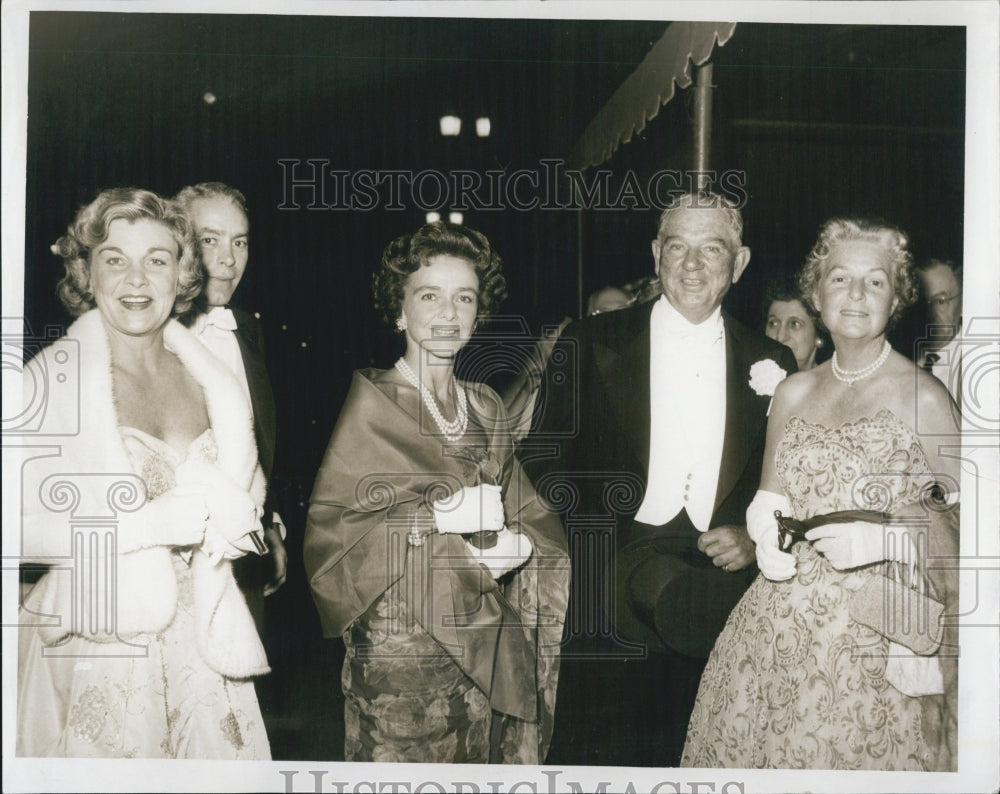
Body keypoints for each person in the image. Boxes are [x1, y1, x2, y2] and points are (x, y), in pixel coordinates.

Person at [526, 192, 797, 767]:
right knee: (596, 761)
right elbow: (542, 456)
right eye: (678, 246)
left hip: (716, 593)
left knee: (700, 758)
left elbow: (788, 482)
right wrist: (590, 534)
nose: (692, 264)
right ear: (656, 254)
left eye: (712, 249)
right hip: (608, 587)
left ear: (739, 263)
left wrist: (752, 539)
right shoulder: (589, 340)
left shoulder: (773, 361)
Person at [683, 217, 960, 770]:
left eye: (875, 281)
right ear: (817, 292)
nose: (855, 295)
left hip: (882, 629)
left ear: (898, 296)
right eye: (839, 279)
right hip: (775, 624)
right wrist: (765, 531)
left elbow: (979, 527)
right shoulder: (792, 390)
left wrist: (890, 541)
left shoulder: (924, 397)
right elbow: (771, 496)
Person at [17, 188, 271, 758]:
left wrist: (236, 521)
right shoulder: (48, 383)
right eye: (114, 259)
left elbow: (243, 495)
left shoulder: (213, 377)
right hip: (102, 648)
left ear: (182, 274)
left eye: (156, 260)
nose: (136, 279)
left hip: (208, 652)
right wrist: (147, 526)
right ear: (87, 273)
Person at [303, 221, 570, 764]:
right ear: (400, 311)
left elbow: (525, 512)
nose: (449, 313)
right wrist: (438, 517)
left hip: (480, 631)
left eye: (464, 297)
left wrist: (517, 542)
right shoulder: (375, 406)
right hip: (400, 651)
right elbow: (333, 541)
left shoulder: (485, 404)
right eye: (430, 296)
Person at [174, 182, 288, 626]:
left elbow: (256, 444)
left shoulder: (248, 331)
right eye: (209, 240)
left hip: (243, 569)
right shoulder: (145, 337)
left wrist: (269, 524)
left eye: (239, 242)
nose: (227, 259)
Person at [915, 257, 963, 404]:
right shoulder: (898, 355)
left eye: (941, 301)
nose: (930, 312)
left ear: (962, 304)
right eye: (921, 301)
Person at [763, 274, 827, 370]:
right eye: (773, 323)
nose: (780, 337)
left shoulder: (831, 384)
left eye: (794, 324)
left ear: (818, 336)